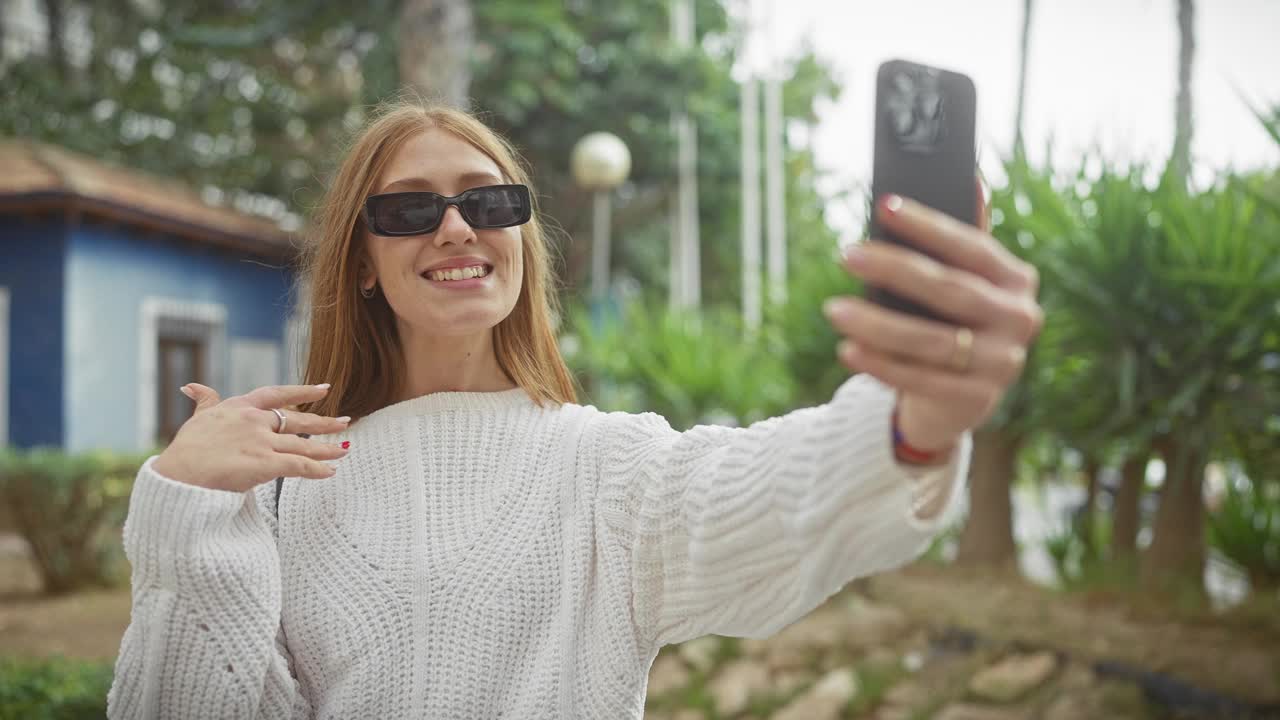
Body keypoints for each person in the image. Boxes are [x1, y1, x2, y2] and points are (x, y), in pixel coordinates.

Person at [106, 100, 1041, 719]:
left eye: (489, 200)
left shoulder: (608, 469)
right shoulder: (279, 494)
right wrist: (185, 502)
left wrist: (909, 419)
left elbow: (773, 494)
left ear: (520, 237)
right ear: (362, 260)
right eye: (408, 211)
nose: (457, 227)